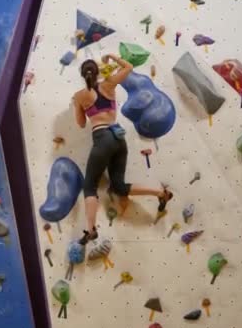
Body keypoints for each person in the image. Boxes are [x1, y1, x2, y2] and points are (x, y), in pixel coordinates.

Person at [73, 55, 173, 245]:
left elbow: (80, 124)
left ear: (82, 75)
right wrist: (111, 57)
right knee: (118, 186)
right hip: (119, 138)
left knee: (89, 187)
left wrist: (79, 106)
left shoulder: (79, 96)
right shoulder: (109, 83)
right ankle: (160, 193)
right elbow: (129, 66)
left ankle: (91, 229)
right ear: (97, 71)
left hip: (102, 138)